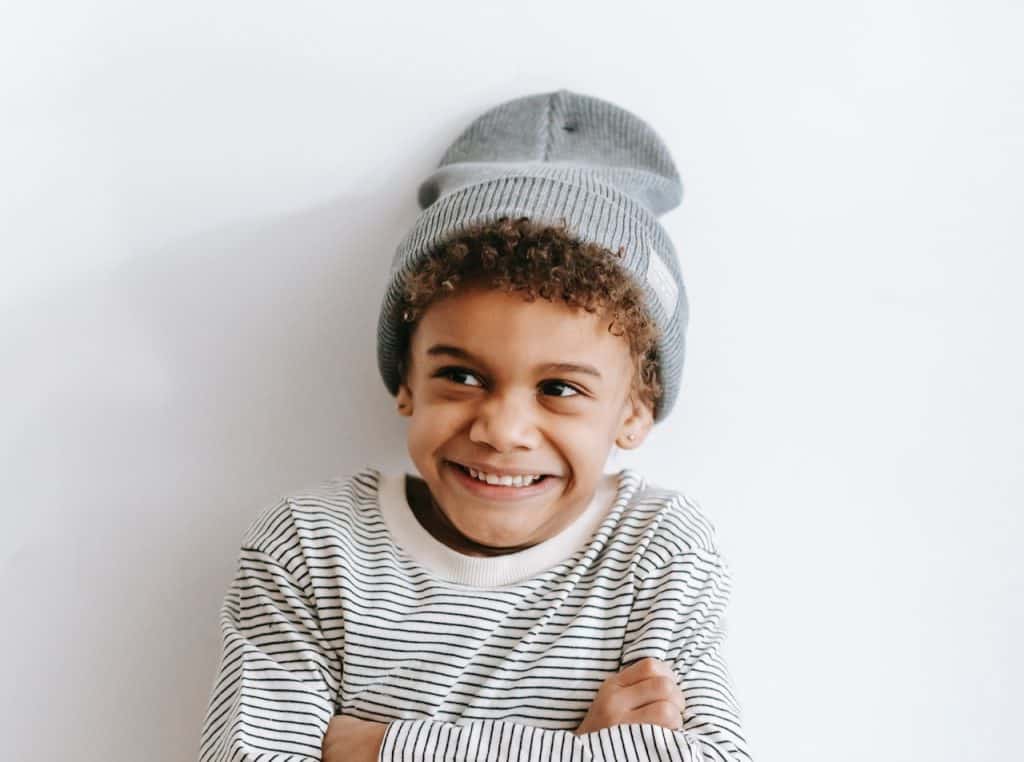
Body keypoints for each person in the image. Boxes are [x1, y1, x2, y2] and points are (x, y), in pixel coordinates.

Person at [198, 89, 753, 761]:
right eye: (462, 376)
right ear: (407, 378)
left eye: (559, 389)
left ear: (634, 410)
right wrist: (583, 752)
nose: (502, 429)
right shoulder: (313, 547)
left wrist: (373, 749)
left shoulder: (654, 552)